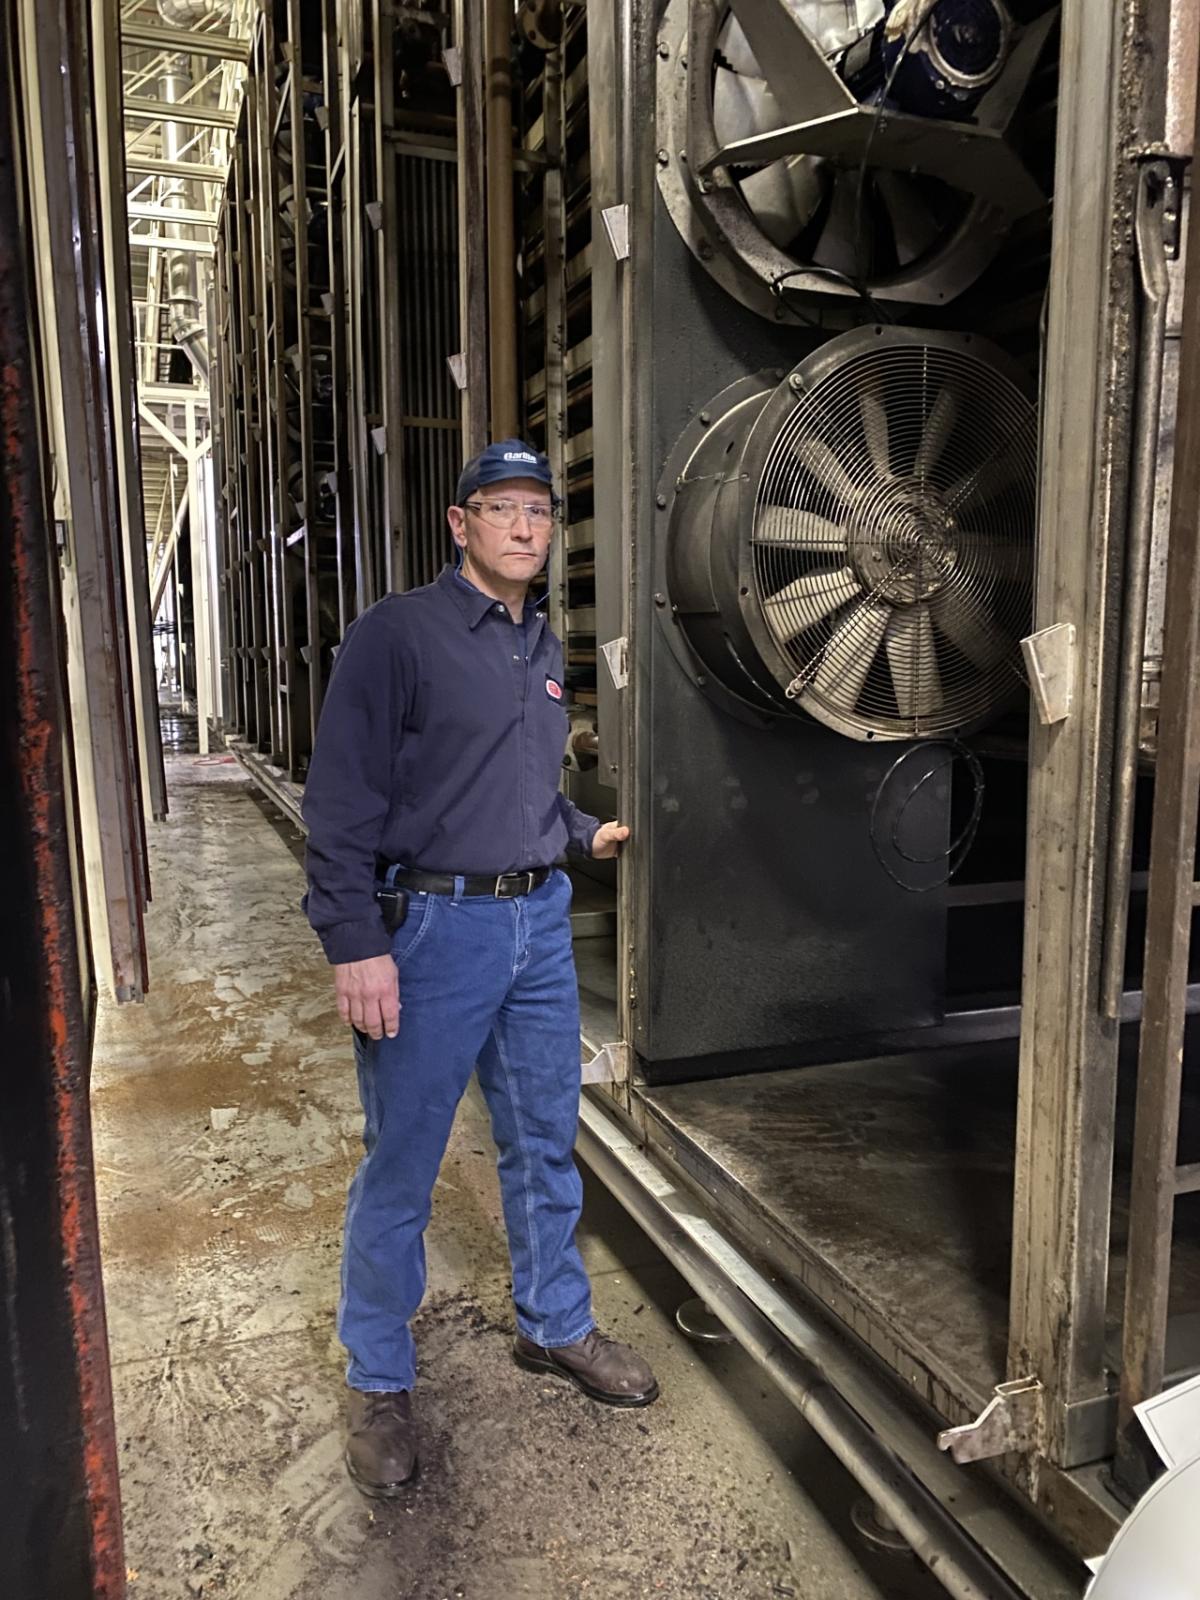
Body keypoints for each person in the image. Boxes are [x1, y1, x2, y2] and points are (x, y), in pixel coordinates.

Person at [302, 439, 659, 1500]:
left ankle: (553, 1325)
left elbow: (518, 795)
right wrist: (355, 941)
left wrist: (582, 834)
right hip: (434, 931)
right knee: (402, 1162)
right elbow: (341, 802)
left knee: (546, 1140)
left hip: (536, 927)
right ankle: (376, 1375)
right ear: (460, 524)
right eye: (501, 509)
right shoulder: (396, 637)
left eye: (539, 513)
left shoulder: (538, 646)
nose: (524, 527)